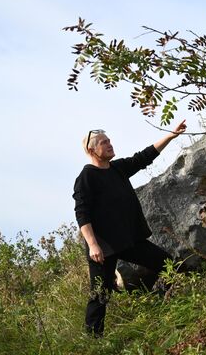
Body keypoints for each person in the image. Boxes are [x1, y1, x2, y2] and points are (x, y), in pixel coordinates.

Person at [73, 120, 186, 337]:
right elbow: (82, 214)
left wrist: (171, 135)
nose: (109, 144)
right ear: (92, 150)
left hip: (129, 241)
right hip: (103, 249)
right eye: (104, 143)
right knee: (100, 294)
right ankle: (93, 341)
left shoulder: (118, 168)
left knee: (167, 264)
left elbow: (144, 157)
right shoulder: (86, 177)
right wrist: (93, 245)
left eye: (109, 141)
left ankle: (162, 305)